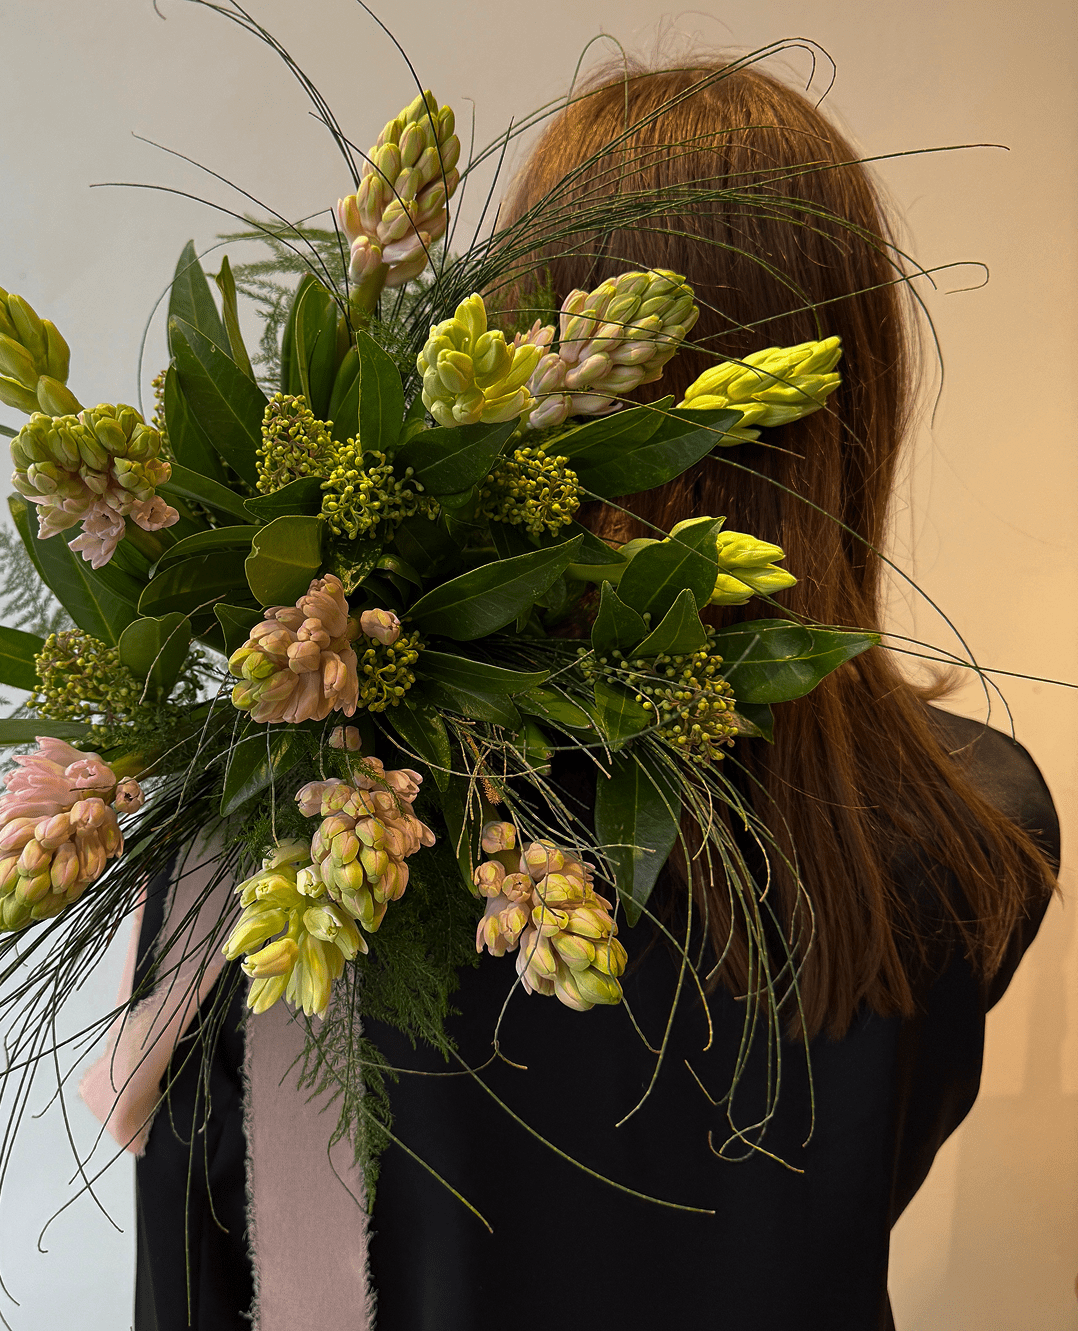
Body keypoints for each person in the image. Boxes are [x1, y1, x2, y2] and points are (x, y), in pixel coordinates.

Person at [118, 58, 1060, 1331]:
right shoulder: (977, 821)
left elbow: (195, 1279)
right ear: (859, 397)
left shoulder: (308, 832)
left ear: (513, 343)